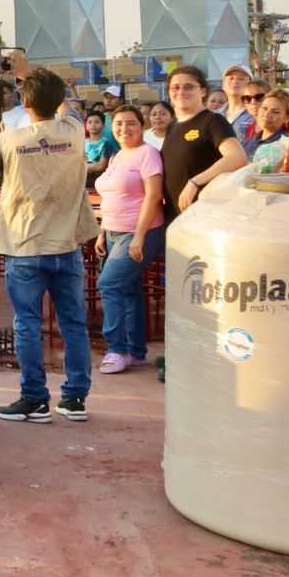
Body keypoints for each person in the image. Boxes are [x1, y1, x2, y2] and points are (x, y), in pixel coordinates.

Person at [0, 61, 96, 424]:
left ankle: (34, 398)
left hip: (24, 243)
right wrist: (29, 72)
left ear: (24, 102)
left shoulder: (10, 138)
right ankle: (75, 398)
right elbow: (67, 107)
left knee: (27, 323)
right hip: (66, 242)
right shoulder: (74, 130)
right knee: (73, 323)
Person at [93, 105, 165, 375]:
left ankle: (116, 348)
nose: (124, 128)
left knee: (108, 285)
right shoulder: (117, 156)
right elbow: (111, 197)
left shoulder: (148, 154)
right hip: (113, 231)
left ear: (142, 125)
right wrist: (102, 231)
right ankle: (135, 351)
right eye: (119, 123)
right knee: (129, 290)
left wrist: (140, 235)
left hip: (139, 232)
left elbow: (153, 196)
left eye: (131, 123)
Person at [161, 66, 247, 222]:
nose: (181, 91)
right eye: (175, 87)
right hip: (173, 215)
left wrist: (194, 182)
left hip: (203, 216)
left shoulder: (213, 121)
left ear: (203, 91)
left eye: (188, 86)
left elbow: (237, 156)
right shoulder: (172, 127)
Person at [249, 88, 289, 174]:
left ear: (287, 118)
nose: (266, 114)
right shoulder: (250, 140)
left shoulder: (287, 144)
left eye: (275, 112)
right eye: (264, 108)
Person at [236, 79, 271, 156]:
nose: (253, 102)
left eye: (259, 97)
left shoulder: (282, 125)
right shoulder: (248, 129)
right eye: (247, 98)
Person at [83, 112, 119, 186]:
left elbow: (101, 166)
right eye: (90, 122)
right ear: (86, 126)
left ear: (103, 125)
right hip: (81, 178)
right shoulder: (82, 143)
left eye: (97, 122)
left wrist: (79, 167)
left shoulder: (107, 144)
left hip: (96, 179)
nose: (93, 125)